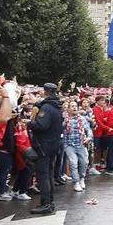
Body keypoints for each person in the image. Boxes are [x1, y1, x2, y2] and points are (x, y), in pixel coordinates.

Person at [27, 83, 64, 214]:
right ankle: (48, 201)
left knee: (43, 175)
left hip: (44, 145)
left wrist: (29, 123)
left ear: (46, 91)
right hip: (53, 144)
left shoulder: (47, 108)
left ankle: (46, 203)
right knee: (48, 174)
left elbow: (42, 125)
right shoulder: (56, 105)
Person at [63, 101, 90, 192]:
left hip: (81, 144)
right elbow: (60, 129)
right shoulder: (65, 119)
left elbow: (88, 130)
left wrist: (89, 138)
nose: (74, 108)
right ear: (68, 109)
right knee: (73, 163)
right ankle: (76, 182)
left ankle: (82, 178)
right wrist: (64, 122)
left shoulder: (82, 119)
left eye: (75, 106)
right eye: (72, 106)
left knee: (84, 162)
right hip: (69, 145)